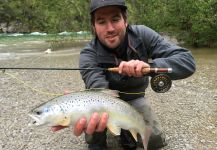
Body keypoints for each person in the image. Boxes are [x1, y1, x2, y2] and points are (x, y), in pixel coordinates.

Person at [52, 0, 196, 149]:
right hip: (103, 103)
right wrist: (76, 106)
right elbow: (97, 87)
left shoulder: (143, 34)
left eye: (115, 19)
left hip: (135, 98)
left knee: (154, 141)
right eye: (101, 22)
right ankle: (103, 138)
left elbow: (187, 61)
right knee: (94, 132)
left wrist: (151, 67)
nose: (110, 28)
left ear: (125, 20)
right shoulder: (88, 54)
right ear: (94, 27)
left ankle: (127, 132)